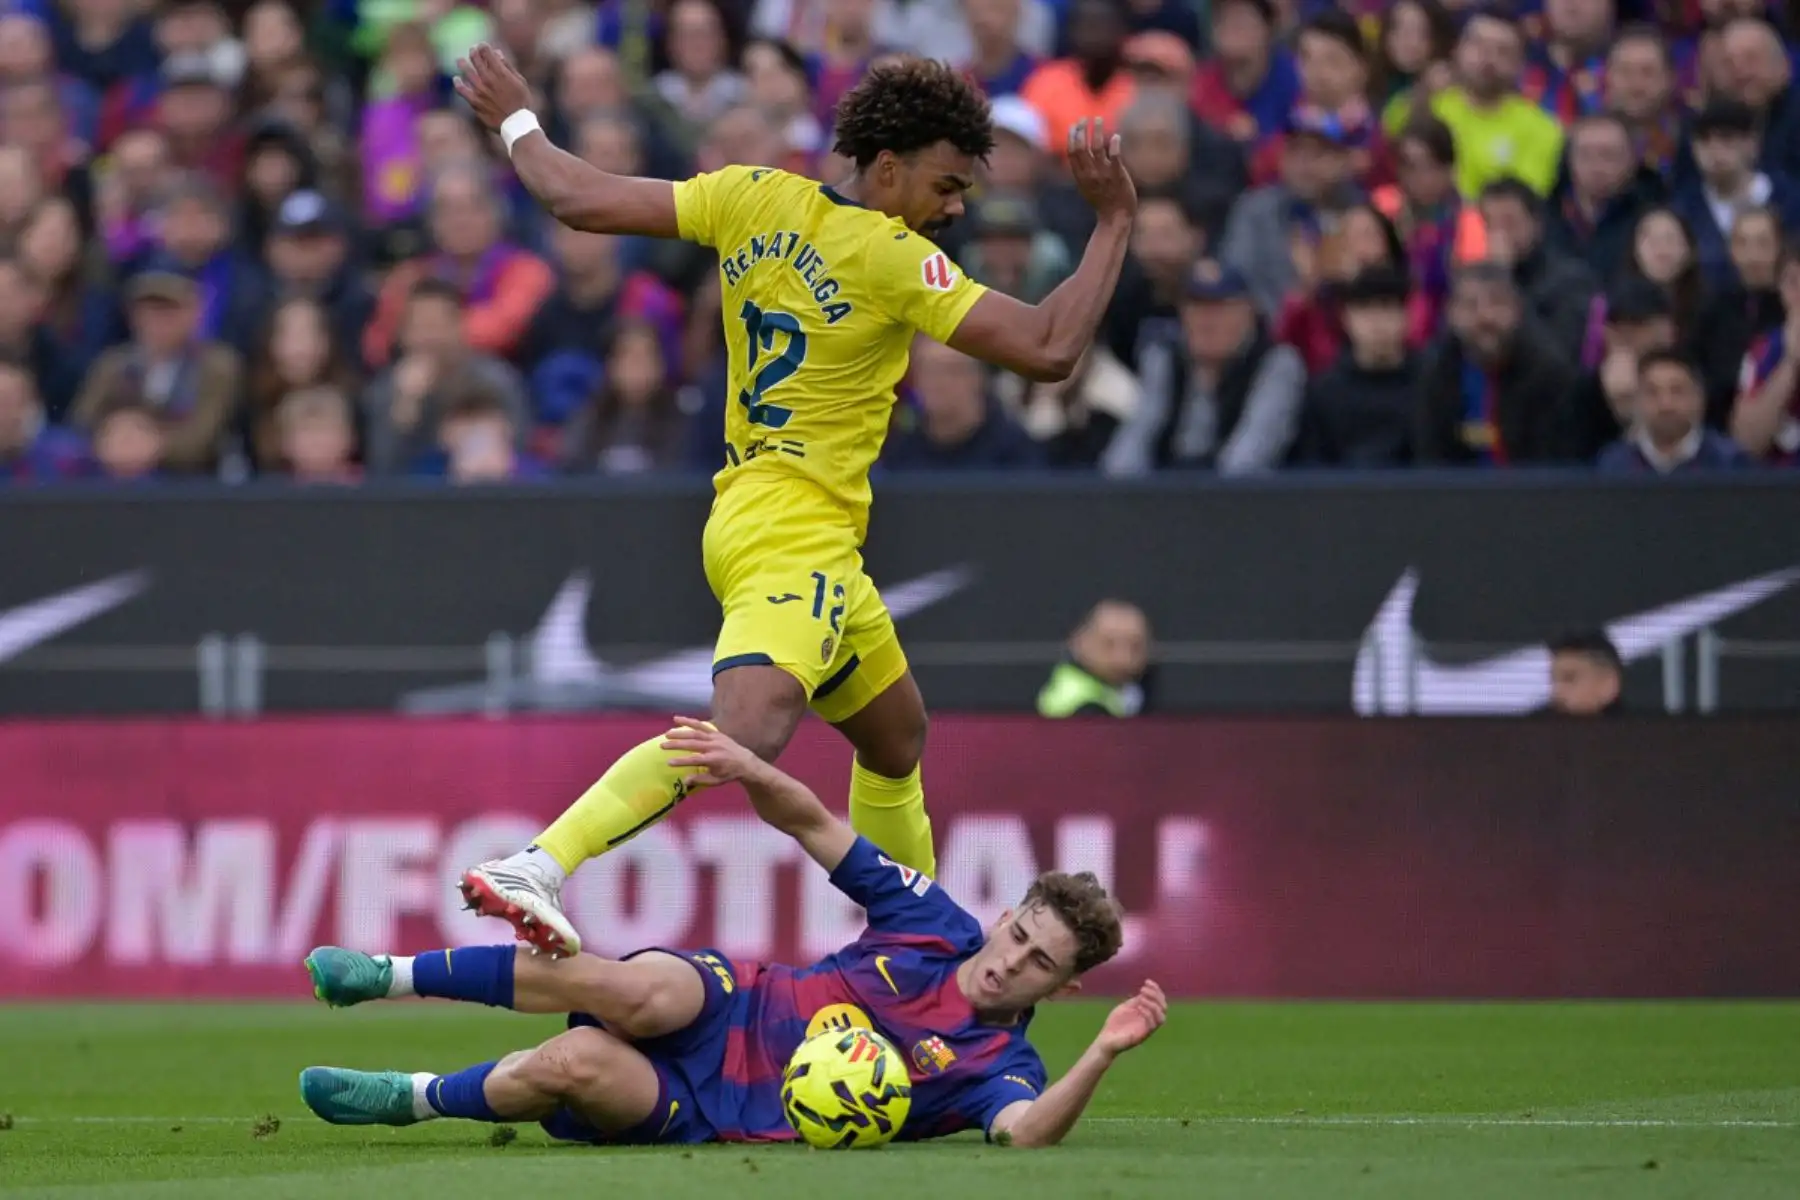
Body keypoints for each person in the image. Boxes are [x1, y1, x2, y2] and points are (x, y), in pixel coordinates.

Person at [450, 45, 1137, 957]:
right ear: (886, 171)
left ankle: (917, 956)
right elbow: (1050, 346)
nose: (958, 208)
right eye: (946, 184)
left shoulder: (754, 197)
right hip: (793, 530)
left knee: (895, 738)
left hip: (768, 519)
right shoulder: (894, 257)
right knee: (748, 731)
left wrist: (515, 118)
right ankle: (537, 863)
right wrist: (1114, 221)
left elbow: (576, 195)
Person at [297, 720, 1165, 1149]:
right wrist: (750, 766)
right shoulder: (934, 920)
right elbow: (816, 828)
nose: (1009, 960)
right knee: (639, 990)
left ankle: (410, 1097)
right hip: (735, 1002)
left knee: (573, 1067)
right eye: (1019, 934)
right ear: (1007, 914)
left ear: (1062, 988)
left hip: (721, 1114)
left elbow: (1021, 1135)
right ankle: (386, 973)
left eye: (1038, 962)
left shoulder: (1003, 1068)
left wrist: (1105, 1055)